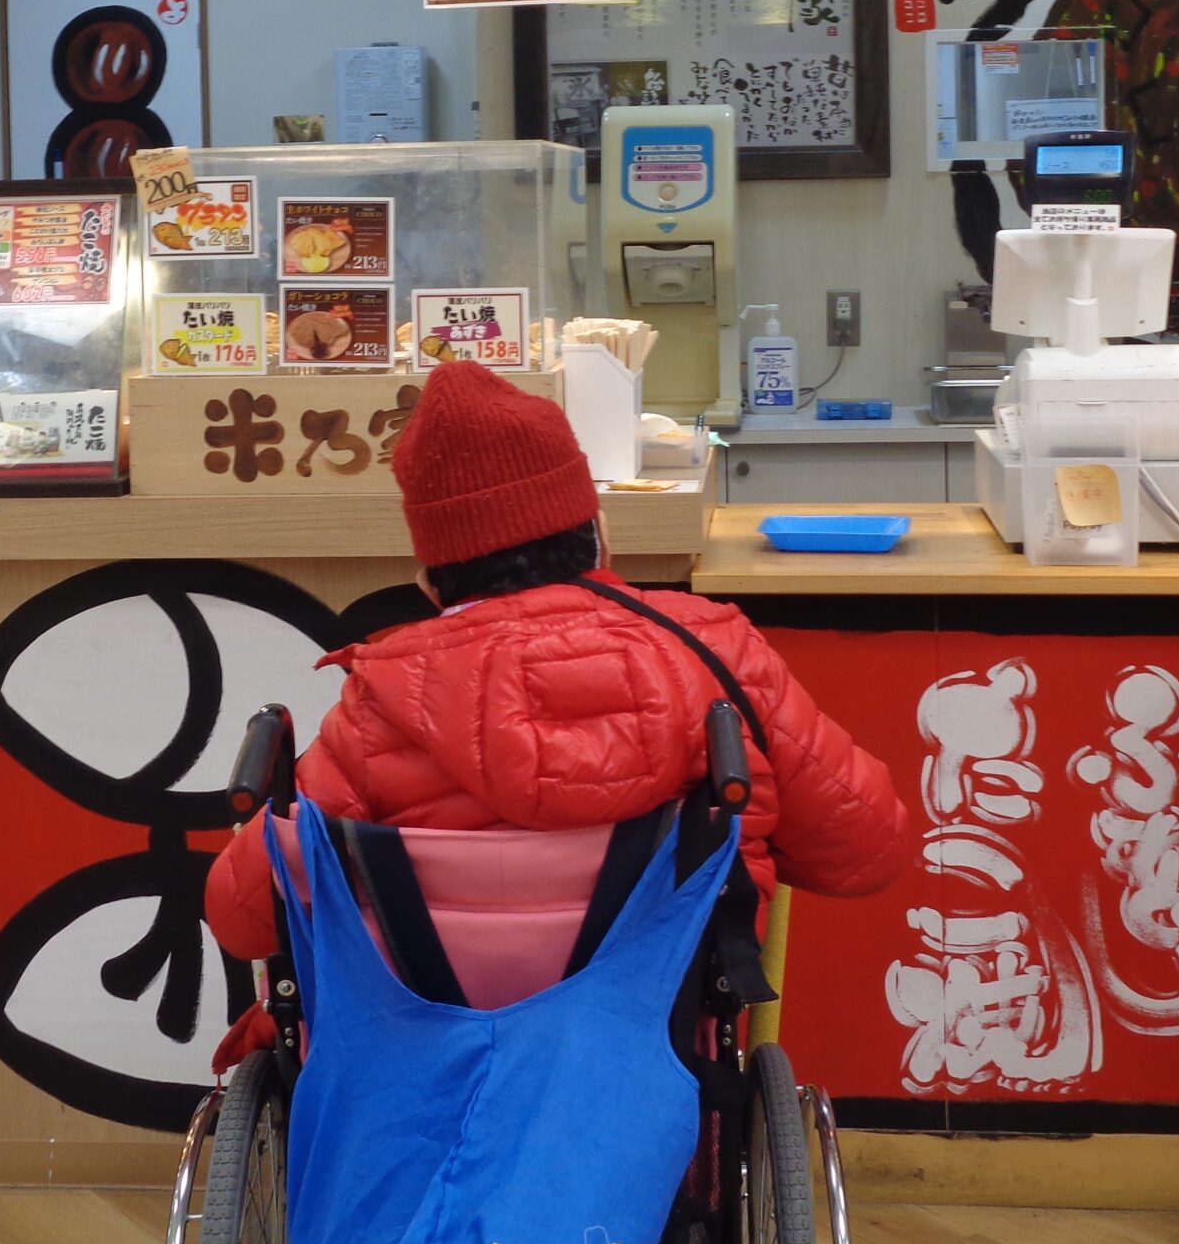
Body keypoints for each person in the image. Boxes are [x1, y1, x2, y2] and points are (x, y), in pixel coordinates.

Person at [204, 360, 911, 981]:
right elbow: (866, 849)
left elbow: (244, 921)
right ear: (599, 534)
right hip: (660, 1049)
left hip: (430, 1061)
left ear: (431, 583)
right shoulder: (715, 653)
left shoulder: (377, 706)